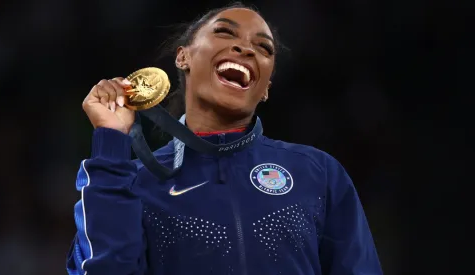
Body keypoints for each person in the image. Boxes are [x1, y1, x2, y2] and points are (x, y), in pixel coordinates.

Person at [66, 2, 383, 275]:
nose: (246, 48)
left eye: (264, 48)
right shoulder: (131, 182)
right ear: (183, 57)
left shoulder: (317, 173)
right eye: (225, 32)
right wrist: (110, 141)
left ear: (267, 86)